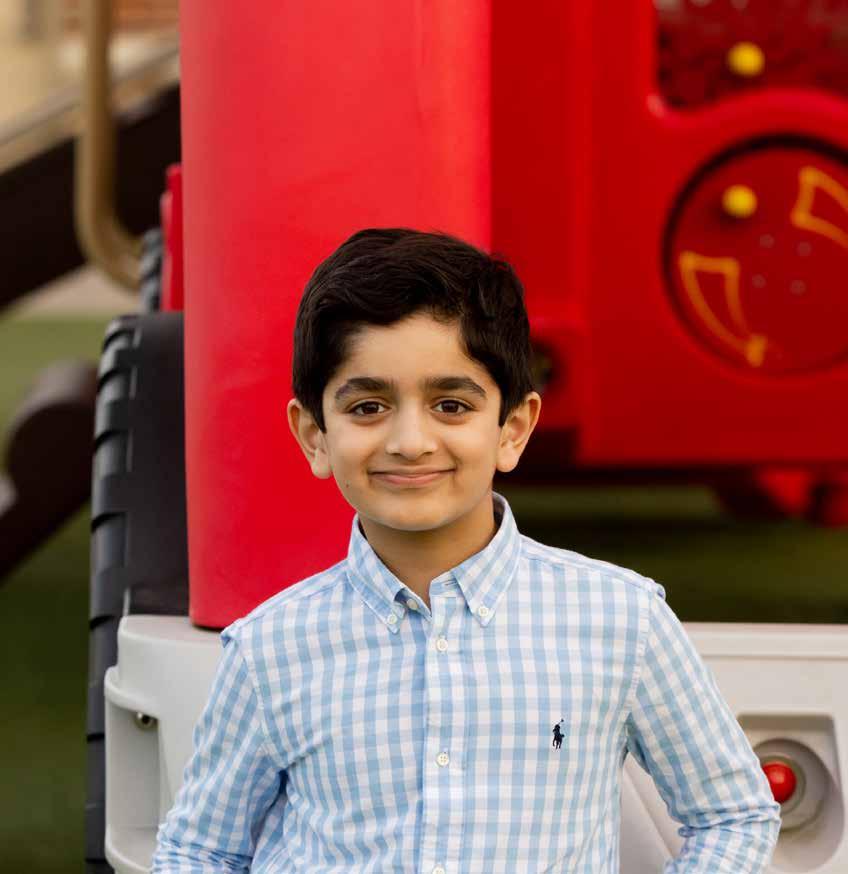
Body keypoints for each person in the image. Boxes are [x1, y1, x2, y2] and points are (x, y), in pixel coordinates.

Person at [151, 227, 781, 872]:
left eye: (451, 405)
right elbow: (199, 850)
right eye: (368, 407)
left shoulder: (624, 621)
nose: (410, 441)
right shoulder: (269, 649)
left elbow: (733, 815)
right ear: (315, 435)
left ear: (513, 430)